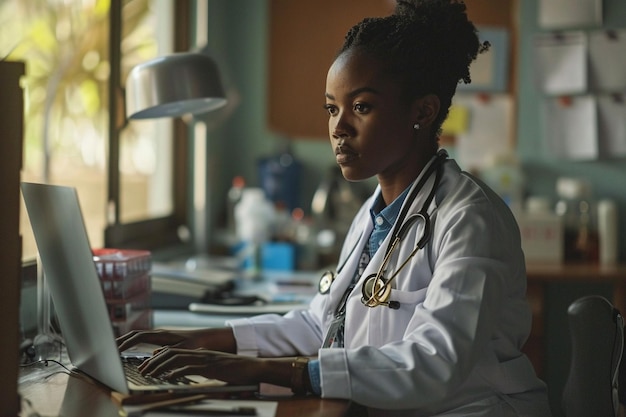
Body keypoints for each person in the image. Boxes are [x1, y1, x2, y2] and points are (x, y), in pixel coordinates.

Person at [117, 0, 552, 415]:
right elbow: (319, 325)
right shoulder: (375, 214)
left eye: (360, 107)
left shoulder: (469, 217)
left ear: (422, 111)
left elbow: (433, 361)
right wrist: (200, 341)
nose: (338, 128)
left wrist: (272, 371)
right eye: (332, 108)